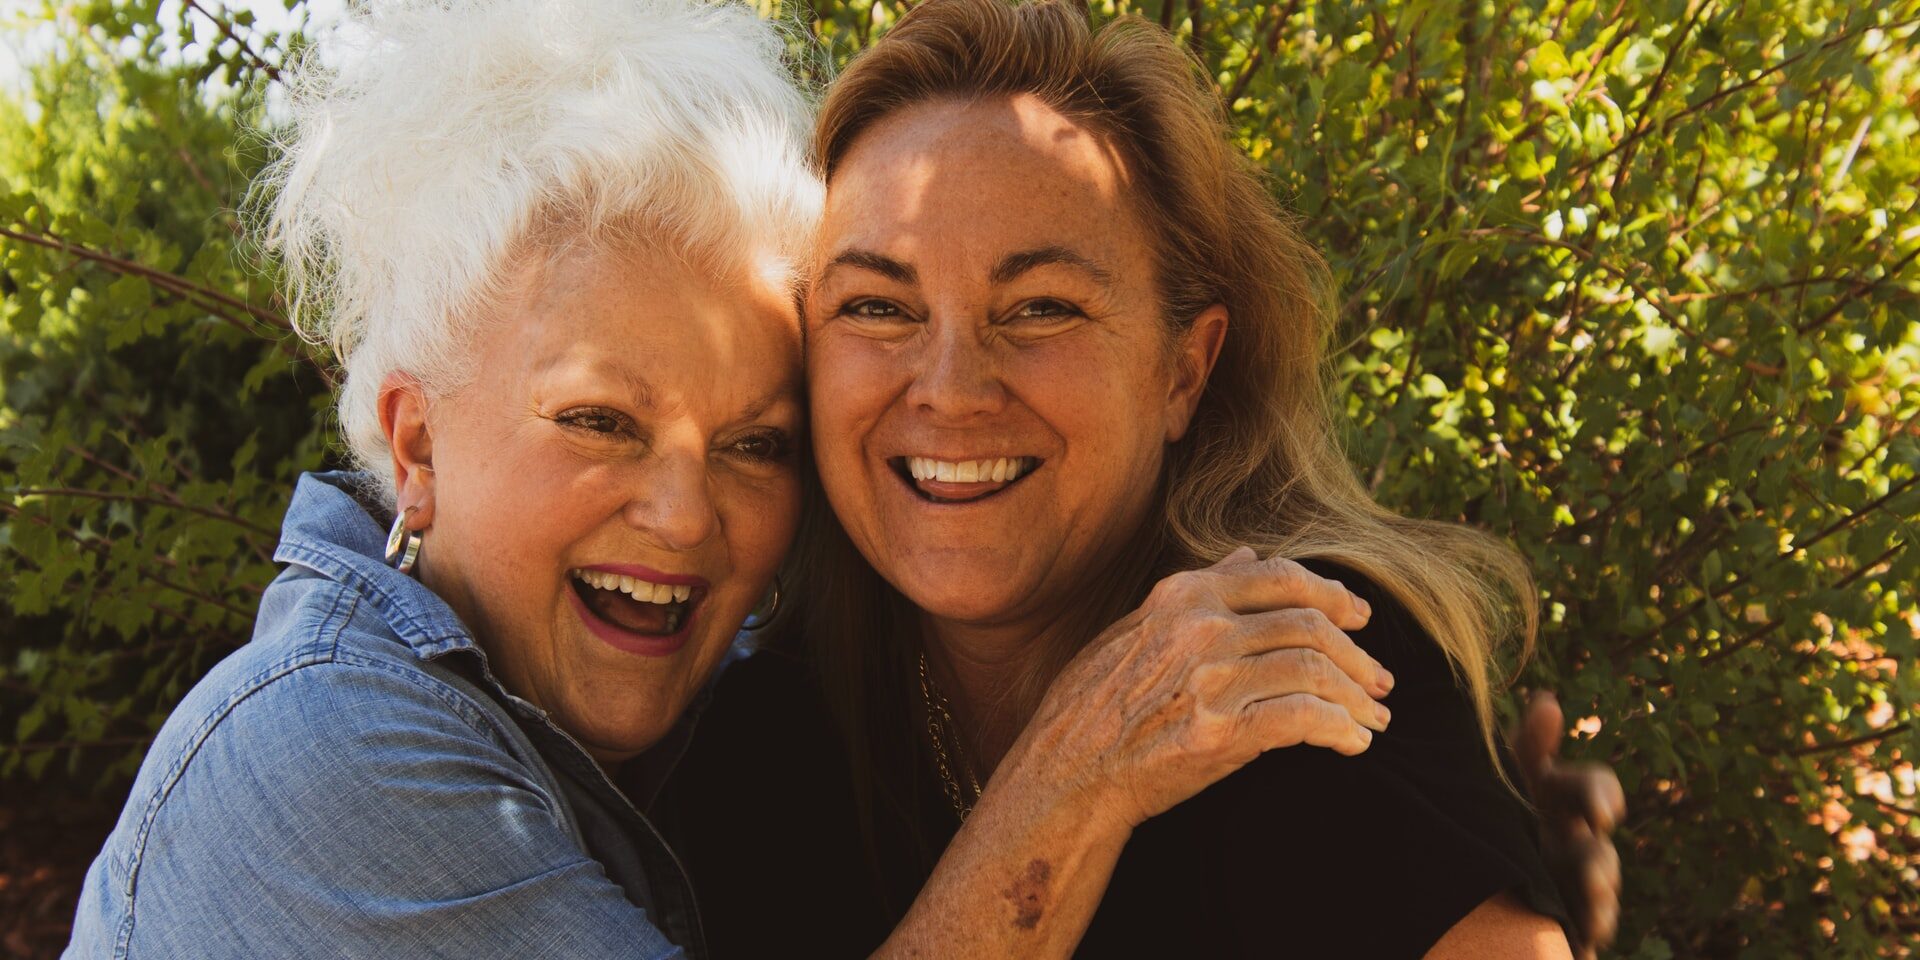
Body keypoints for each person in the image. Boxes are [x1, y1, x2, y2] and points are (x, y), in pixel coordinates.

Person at [64, 0, 1416, 956]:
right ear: (416, 443)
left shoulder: (675, 713)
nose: (685, 516)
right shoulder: (323, 756)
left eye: (756, 442)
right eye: (597, 420)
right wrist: (1077, 767)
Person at [657, 0, 1622, 956]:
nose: (950, 392)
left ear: (1182, 372)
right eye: (876, 306)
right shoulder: (763, 733)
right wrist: (1071, 781)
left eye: (1040, 308)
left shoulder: (1293, 664)